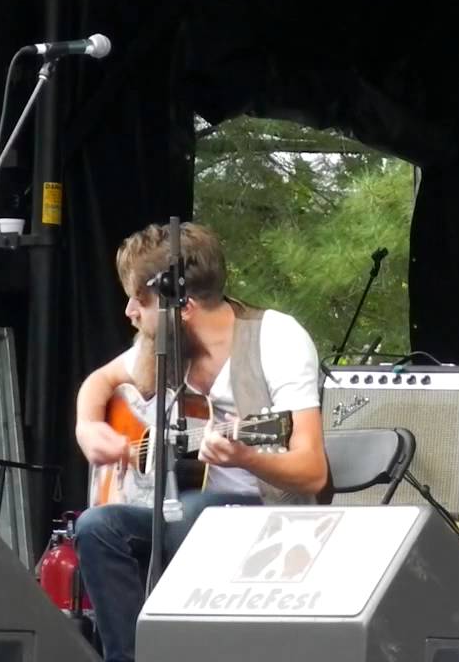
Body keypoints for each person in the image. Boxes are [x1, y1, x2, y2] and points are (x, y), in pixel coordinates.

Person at [72, 221, 329, 662]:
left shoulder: (276, 339)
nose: (130, 312)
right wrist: (88, 427)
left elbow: (312, 471)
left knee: (193, 512)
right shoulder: (166, 344)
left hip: (272, 517)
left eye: (141, 300)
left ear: (182, 305)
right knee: (97, 527)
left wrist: (246, 457)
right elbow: (101, 380)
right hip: (189, 507)